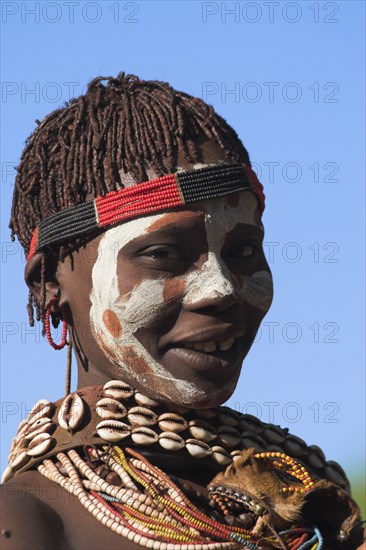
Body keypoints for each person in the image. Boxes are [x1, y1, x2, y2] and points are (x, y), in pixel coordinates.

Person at [1, 73, 363, 550]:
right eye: (164, 254)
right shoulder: (30, 519)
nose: (222, 288)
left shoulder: (310, 497)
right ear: (51, 287)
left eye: (244, 252)